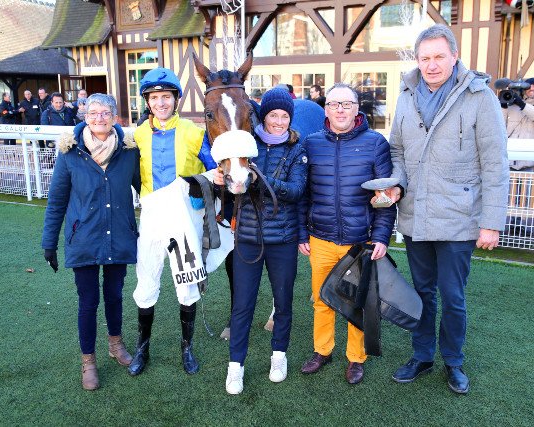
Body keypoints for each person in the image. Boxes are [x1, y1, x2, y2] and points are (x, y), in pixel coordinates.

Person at [386, 24, 509, 395]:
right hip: (416, 215)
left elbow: (495, 163)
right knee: (422, 293)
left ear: (454, 56)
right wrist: (397, 183)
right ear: (417, 60)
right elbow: (397, 151)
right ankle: (422, 356)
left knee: (453, 296)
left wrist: (491, 222)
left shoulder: (479, 97)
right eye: (425, 58)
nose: (432, 65)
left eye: (439, 56)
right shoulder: (406, 94)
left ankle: (453, 361)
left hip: (459, 218)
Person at [298, 82, 396, 385]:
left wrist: (381, 236)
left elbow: (385, 196)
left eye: (347, 104)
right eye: (334, 104)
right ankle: (322, 350)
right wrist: (302, 233)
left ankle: (356, 357)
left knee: (357, 302)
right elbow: (303, 194)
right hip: (320, 238)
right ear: (326, 109)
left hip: (359, 241)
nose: (340, 110)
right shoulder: (311, 143)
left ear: (357, 109)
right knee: (321, 299)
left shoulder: (375, 143)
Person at [41, 93, 141, 391]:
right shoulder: (70, 152)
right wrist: (49, 242)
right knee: (88, 301)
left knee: (114, 295)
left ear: (115, 117)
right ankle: (88, 361)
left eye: (105, 113)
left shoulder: (129, 151)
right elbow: (57, 200)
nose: (99, 118)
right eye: (93, 112)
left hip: (119, 235)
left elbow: (146, 188)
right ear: (85, 116)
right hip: (83, 238)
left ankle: (116, 344)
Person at [217, 88, 307, 395]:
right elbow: (231, 184)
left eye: (284, 116)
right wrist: (221, 178)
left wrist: (259, 180)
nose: (279, 122)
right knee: (242, 305)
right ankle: (235, 366)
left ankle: (278, 356)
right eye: (273, 115)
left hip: (282, 239)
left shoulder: (297, 149)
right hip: (248, 238)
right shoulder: (246, 145)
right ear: (263, 117)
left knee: (283, 302)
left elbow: (296, 191)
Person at [128, 67, 217, 377]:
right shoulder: (138, 134)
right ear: (147, 102)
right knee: (146, 281)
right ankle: (142, 348)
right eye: (154, 98)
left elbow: (215, 168)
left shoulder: (194, 131)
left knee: (187, 284)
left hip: (183, 219)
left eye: (166, 97)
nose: (161, 103)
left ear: (176, 99)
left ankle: (187, 348)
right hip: (152, 217)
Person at [503, 77, 534, 172]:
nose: (531, 88)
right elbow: (499, 123)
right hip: (508, 160)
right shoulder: (511, 108)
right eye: (528, 86)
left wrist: (521, 104)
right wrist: (503, 105)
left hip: (528, 162)